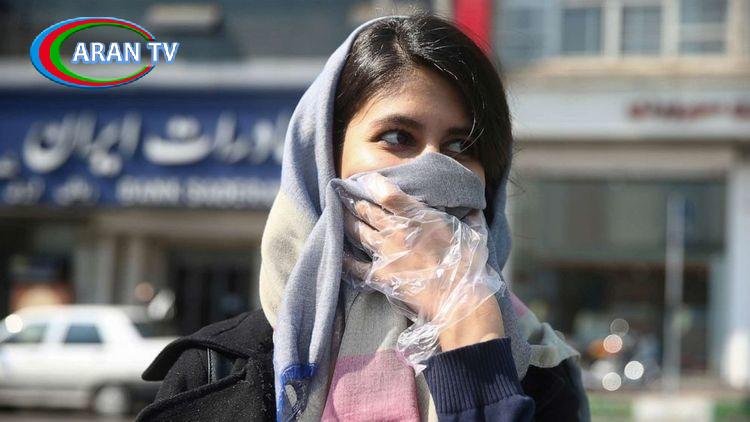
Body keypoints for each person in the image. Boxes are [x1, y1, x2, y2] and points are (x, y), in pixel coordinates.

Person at [136, 12, 589, 422]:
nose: (433, 167)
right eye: (397, 137)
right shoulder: (214, 371)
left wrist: (468, 325)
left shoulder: (540, 371)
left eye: (461, 146)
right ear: (325, 158)